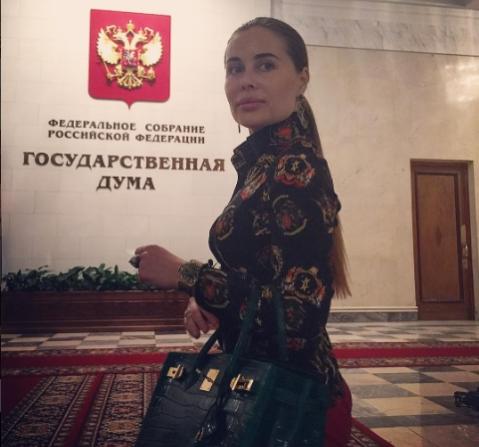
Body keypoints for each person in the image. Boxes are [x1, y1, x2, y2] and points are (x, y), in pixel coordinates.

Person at [134, 17, 352, 446]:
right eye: (235, 68)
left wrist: (187, 274)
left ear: (301, 78)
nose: (246, 80)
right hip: (256, 389)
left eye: (265, 65)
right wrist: (208, 299)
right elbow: (260, 282)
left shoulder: (297, 168)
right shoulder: (261, 164)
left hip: (293, 408)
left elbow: (297, 316)